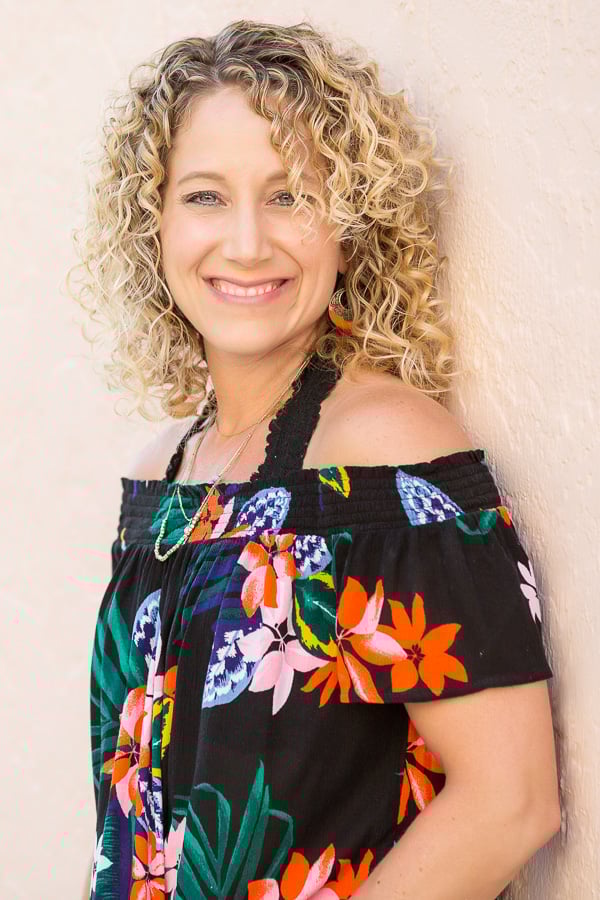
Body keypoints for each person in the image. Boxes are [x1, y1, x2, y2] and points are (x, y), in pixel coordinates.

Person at [69, 19, 560, 900]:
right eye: (206, 196)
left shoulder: (391, 458)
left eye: (291, 194)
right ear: (155, 221)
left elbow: (511, 802)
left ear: (351, 221)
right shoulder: (166, 471)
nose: (248, 242)